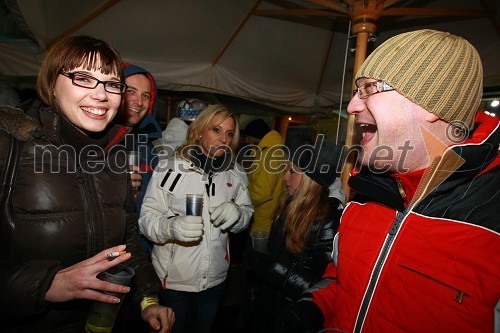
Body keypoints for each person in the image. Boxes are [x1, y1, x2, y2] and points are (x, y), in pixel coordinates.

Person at [277, 29, 500, 333]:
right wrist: (314, 307)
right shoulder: (366, 191)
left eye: (369, 88)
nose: (353, 105)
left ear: (430, 103)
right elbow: (343, 279)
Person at [0, 35, 174, 332]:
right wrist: (45, 284)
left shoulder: (115, 153)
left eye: (111, 84)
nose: (101, 94)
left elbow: (128, 237)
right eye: (83, 78)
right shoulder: (9, 145)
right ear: (52, 84)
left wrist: (147, 298)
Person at [139, 104, 254, 333]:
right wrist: (170, 227)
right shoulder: (170, 168)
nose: (223, 139)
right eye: (216, 130)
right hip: (173, 282)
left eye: (229, 133)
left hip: (215, 281)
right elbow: (146, 219)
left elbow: (247, 214)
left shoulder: (236, 173)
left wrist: (239, 214)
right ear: (200, 130)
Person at [244, 138, 343, 333]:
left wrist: (274, 269)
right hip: (269, 309)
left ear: (310, 179)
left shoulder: (328, 220)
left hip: (292, 317)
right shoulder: (288, 204)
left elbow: (324, 288)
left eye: (292, 171)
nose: (284, 177)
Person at [115, 63, 163, 254]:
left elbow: (152, 205)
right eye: (130, 91)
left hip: (137, 248)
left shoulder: (147, 149)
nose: (139, 102)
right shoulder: (89, 141)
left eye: (145, 96)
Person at [242, 118, 286, 234]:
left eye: (248, 137)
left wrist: (239, 198)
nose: (246, 141)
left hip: (263, 224)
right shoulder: (277, 151)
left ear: (255, 136)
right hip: (274, 219)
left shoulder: (266, 156)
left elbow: (261, 193)